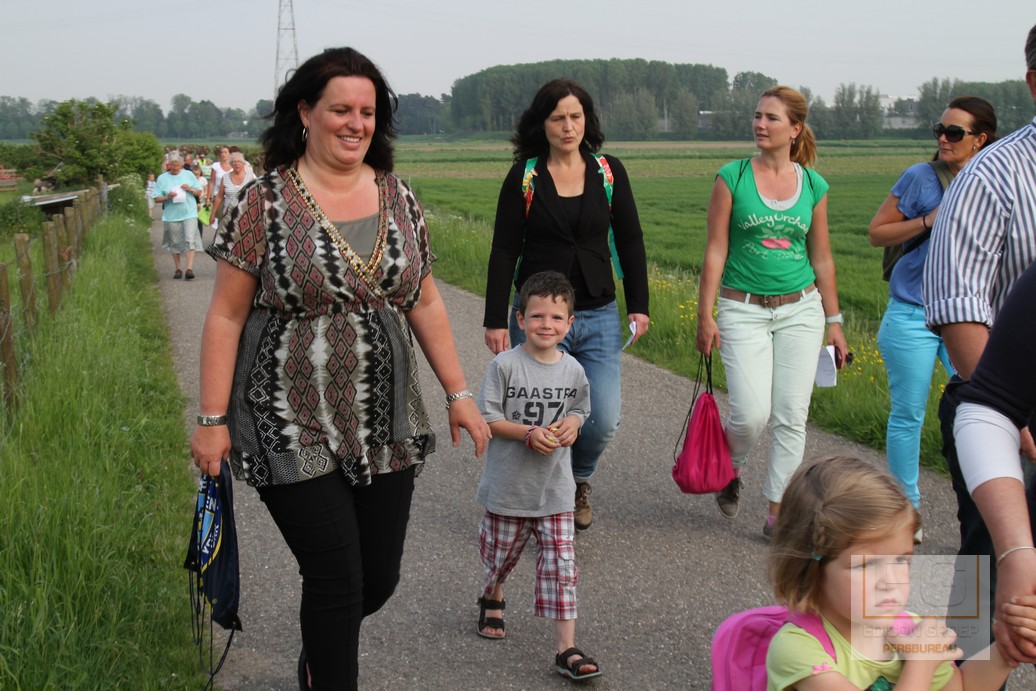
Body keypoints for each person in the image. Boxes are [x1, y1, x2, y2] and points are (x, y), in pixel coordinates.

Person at [188, 47, 491, 691]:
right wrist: (211, 420)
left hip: (385, 417)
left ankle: (317, 661)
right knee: (335, 576)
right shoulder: (261, 203)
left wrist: (459, 392)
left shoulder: (398, 196)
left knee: (376, 580)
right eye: (341, 110)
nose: (356, 124)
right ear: (305, 112)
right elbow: (225, 316)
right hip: (283, 415)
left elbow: (425, 301)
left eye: (367, 112)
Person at [483, 78, 650, 531]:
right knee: (534, 412)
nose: (568, 126)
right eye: (558, 118)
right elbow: (504, 249)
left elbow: (631, 240)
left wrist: (639, 304)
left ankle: (577, 480)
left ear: (587, 121)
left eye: (576, 116)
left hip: (597, 312)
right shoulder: (525, 176)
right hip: (537, 315)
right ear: (543, 124)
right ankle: (533, 499)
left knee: (602, 419)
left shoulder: (608, 171)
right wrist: (495, 318)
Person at [922, 23, 1036, 665]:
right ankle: (949, 674)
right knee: (987, 574)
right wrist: (1013, 419)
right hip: (1004, 405)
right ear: (1035, 84)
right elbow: (960, 309)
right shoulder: (994, 175)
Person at [695, 86, 848, 538]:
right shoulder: (733, 177)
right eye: (758, 116)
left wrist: (835, 322)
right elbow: (715, 249)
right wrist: (705, 314)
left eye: (771, 118)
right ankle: (731, 466)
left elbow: (822, 257)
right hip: (742, 309)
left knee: (790, 415)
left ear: (795, 129)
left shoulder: (813, 185)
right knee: (750, 414)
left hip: (802, 310)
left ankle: (778, 513)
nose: (760, 124)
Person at [766, 455, 1027, 690]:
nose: (890, 582)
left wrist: (1008, 648)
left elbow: (961, 688)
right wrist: (921, 663)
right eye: (866, 565)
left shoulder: (908, 629)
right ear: (810, 570)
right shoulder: (798, 649)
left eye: (901, 560)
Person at [868, 97, 997, 529]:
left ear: (980, 139)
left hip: (972, 317)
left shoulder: (995, 178)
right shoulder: (920, 177)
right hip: (914, 315)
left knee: (984, 411)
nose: (943, 138)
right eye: (939, 130)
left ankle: (984, 510)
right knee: (909, 414)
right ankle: (906, 510)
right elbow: (877, 233)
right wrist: (928, 221)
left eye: (954, 132)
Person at [474, 270, 600, 681]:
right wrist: (527, 433)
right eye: (537, 316)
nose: (547, 324)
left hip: (555, 490)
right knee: (499, 559)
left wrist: (574, 423)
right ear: (520, 319)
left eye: (556, 317)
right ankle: (493, 593)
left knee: (562, 564)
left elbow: (581, 407)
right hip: (509, 487)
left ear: (570, 324)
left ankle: (566, 648)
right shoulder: (505, 365)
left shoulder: (573, 369)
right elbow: (488, 418)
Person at [153, 150, 204, 279]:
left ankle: (189, 268)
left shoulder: (188, 174)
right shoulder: (162, 178)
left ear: (181, 164)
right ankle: (178, 268)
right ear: (169, 165)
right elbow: (156, 198)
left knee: (190, 239)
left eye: (177, 165)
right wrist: (167, 197)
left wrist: (190, 189)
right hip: (172, 215)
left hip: (189, 212)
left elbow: (199, 191)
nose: (175, 168)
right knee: (175, 242)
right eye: (173, 165)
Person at [209, 150, 256, 227]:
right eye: (234, 162)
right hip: (228, 215)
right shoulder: (225, 177)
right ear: (231, 164)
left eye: (239, 161)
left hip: (245, 215)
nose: (236, 164)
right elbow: (219, 197)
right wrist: (213, 213)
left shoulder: (250, 177)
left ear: (243, 163)